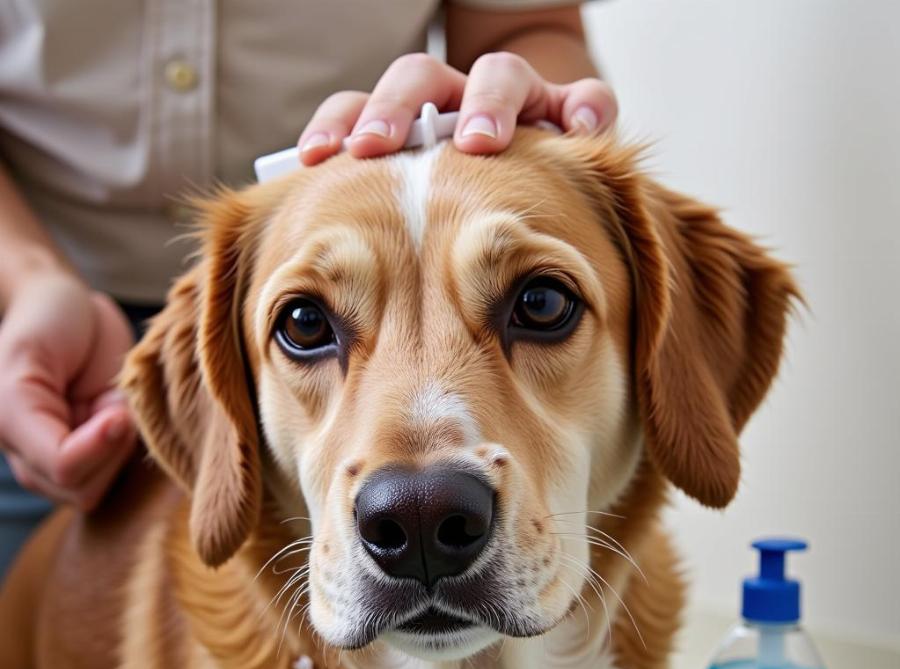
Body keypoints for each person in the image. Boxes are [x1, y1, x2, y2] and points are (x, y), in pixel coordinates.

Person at [0, 1, 616, 578]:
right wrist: (26, 275)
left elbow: (522, 22)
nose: (419, 507)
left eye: (542, 306)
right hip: (33, 322)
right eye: (309, 325)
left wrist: (538, 151)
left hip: (405, 259)